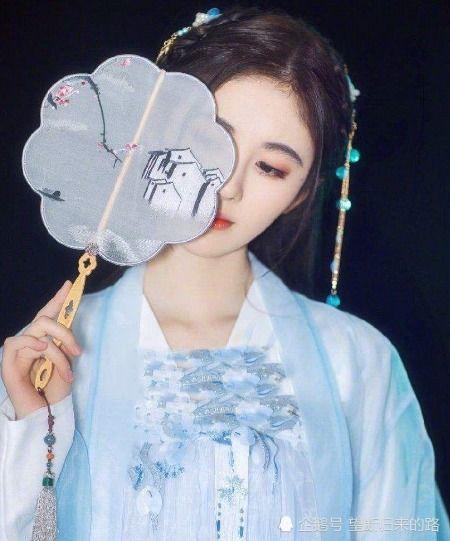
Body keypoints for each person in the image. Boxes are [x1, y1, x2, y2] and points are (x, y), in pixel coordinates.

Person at [1, 5, 449, 541]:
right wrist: (32, 429)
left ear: (299, 193)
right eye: (214, 140)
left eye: (271, 167)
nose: (228, 186)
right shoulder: (55, 357)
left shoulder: (357, 361)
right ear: (157, 128)